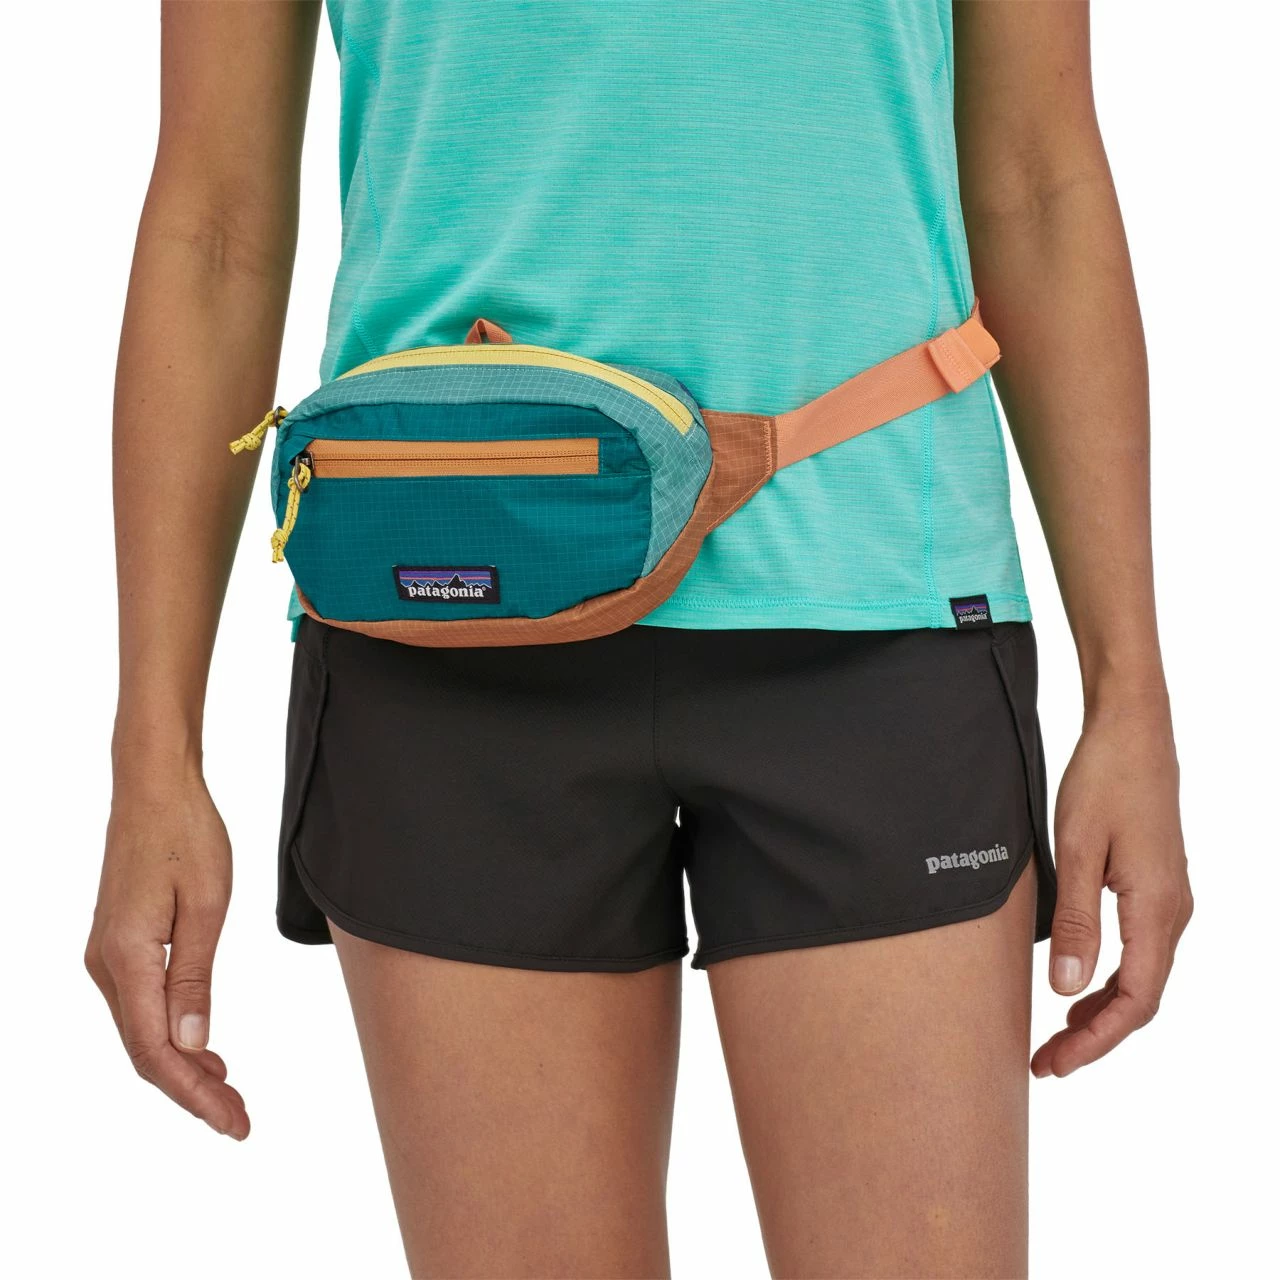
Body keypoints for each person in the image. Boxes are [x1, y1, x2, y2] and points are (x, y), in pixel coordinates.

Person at [85, 2, 1193, 1276]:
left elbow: (1039, 181)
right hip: (449, 631)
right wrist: (153, 755)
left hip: (875, 604)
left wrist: (1130, 696)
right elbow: (214, 226)